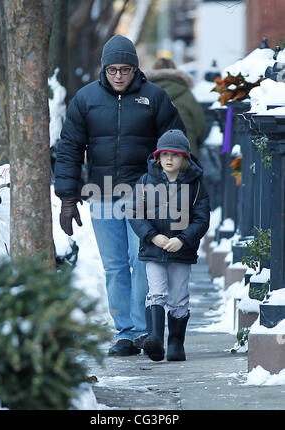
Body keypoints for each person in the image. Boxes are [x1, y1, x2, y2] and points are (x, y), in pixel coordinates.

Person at [54, 35, 186, 356]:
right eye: (112, 70)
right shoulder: (85, 100)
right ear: (104, 69)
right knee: (114, 266)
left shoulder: (155, 98)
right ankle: (124, 333)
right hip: (102, 194)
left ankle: (143, 331)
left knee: (140, 261)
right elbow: (69, 148)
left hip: (144, 195)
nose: (118, 76)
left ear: (135, 69)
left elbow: (177, 144)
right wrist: (68, 198)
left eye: (124, 69)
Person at [127, 129, 210, 361]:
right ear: (158, 157)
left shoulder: (196, 186)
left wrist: (182, 239)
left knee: (179, 296)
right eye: (164, 155)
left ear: (185, 158)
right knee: (156, 292)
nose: (169, 159)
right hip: (154, 249)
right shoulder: (145, 182)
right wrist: (152, 236)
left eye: (175, 155)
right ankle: (155, 338)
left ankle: (175, 343)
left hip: (181, 251)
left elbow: (201, 219)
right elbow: (134, 212)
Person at [145, 58, 206, 159]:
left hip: (154, 153)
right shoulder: (187, 95)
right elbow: (200, 126)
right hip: (185, 152)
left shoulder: (146, 94)